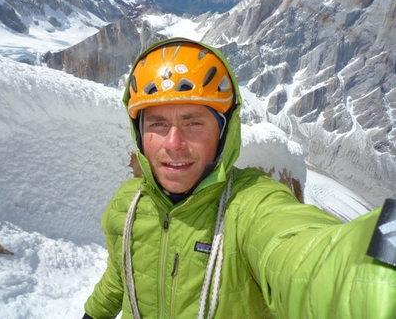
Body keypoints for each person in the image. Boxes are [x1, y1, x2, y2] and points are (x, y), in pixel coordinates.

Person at [82, 37, 396, 319]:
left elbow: (309, 260)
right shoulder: (127, 206)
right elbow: (120, 276)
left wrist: (382, 269)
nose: (173, 143)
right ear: (139, 135)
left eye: (193, 123)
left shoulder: (248, 206)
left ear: (223, 134)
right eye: (158, 124)